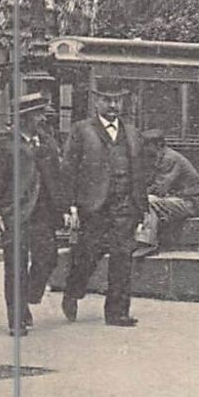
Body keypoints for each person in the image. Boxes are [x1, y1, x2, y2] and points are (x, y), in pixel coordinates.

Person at [0, 92, 69, 336]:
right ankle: (17, 320)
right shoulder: (5, 145)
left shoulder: (48, 141)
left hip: (43, 213)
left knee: (48, 257)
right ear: (25, 117)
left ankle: (31, 293)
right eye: (38, 114)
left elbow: (59, 178)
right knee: (15, 268)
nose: (43, 117)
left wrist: (66, 208)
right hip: (15, 214)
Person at [61, 85, 144, 327]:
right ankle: (73, 290)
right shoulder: (82, 130)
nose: (113, 106)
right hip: (94, 205)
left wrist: (142, 206)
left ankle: (117, 312)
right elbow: (69, 169)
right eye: (107, 100)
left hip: (125, 205)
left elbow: (139, 171)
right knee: (88, 254)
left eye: (118, 100)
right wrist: (71, 205)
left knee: (122, 257)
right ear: (96, 102)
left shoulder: (132, 132)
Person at [134, 130, 199, 256]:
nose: (143, 148)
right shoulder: (158, 157)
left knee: (149, 201)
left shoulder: (170, 159)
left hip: (190, 203)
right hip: (176, 199)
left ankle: (148, 243)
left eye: (146, 145)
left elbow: (160, 189)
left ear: (158, 145)